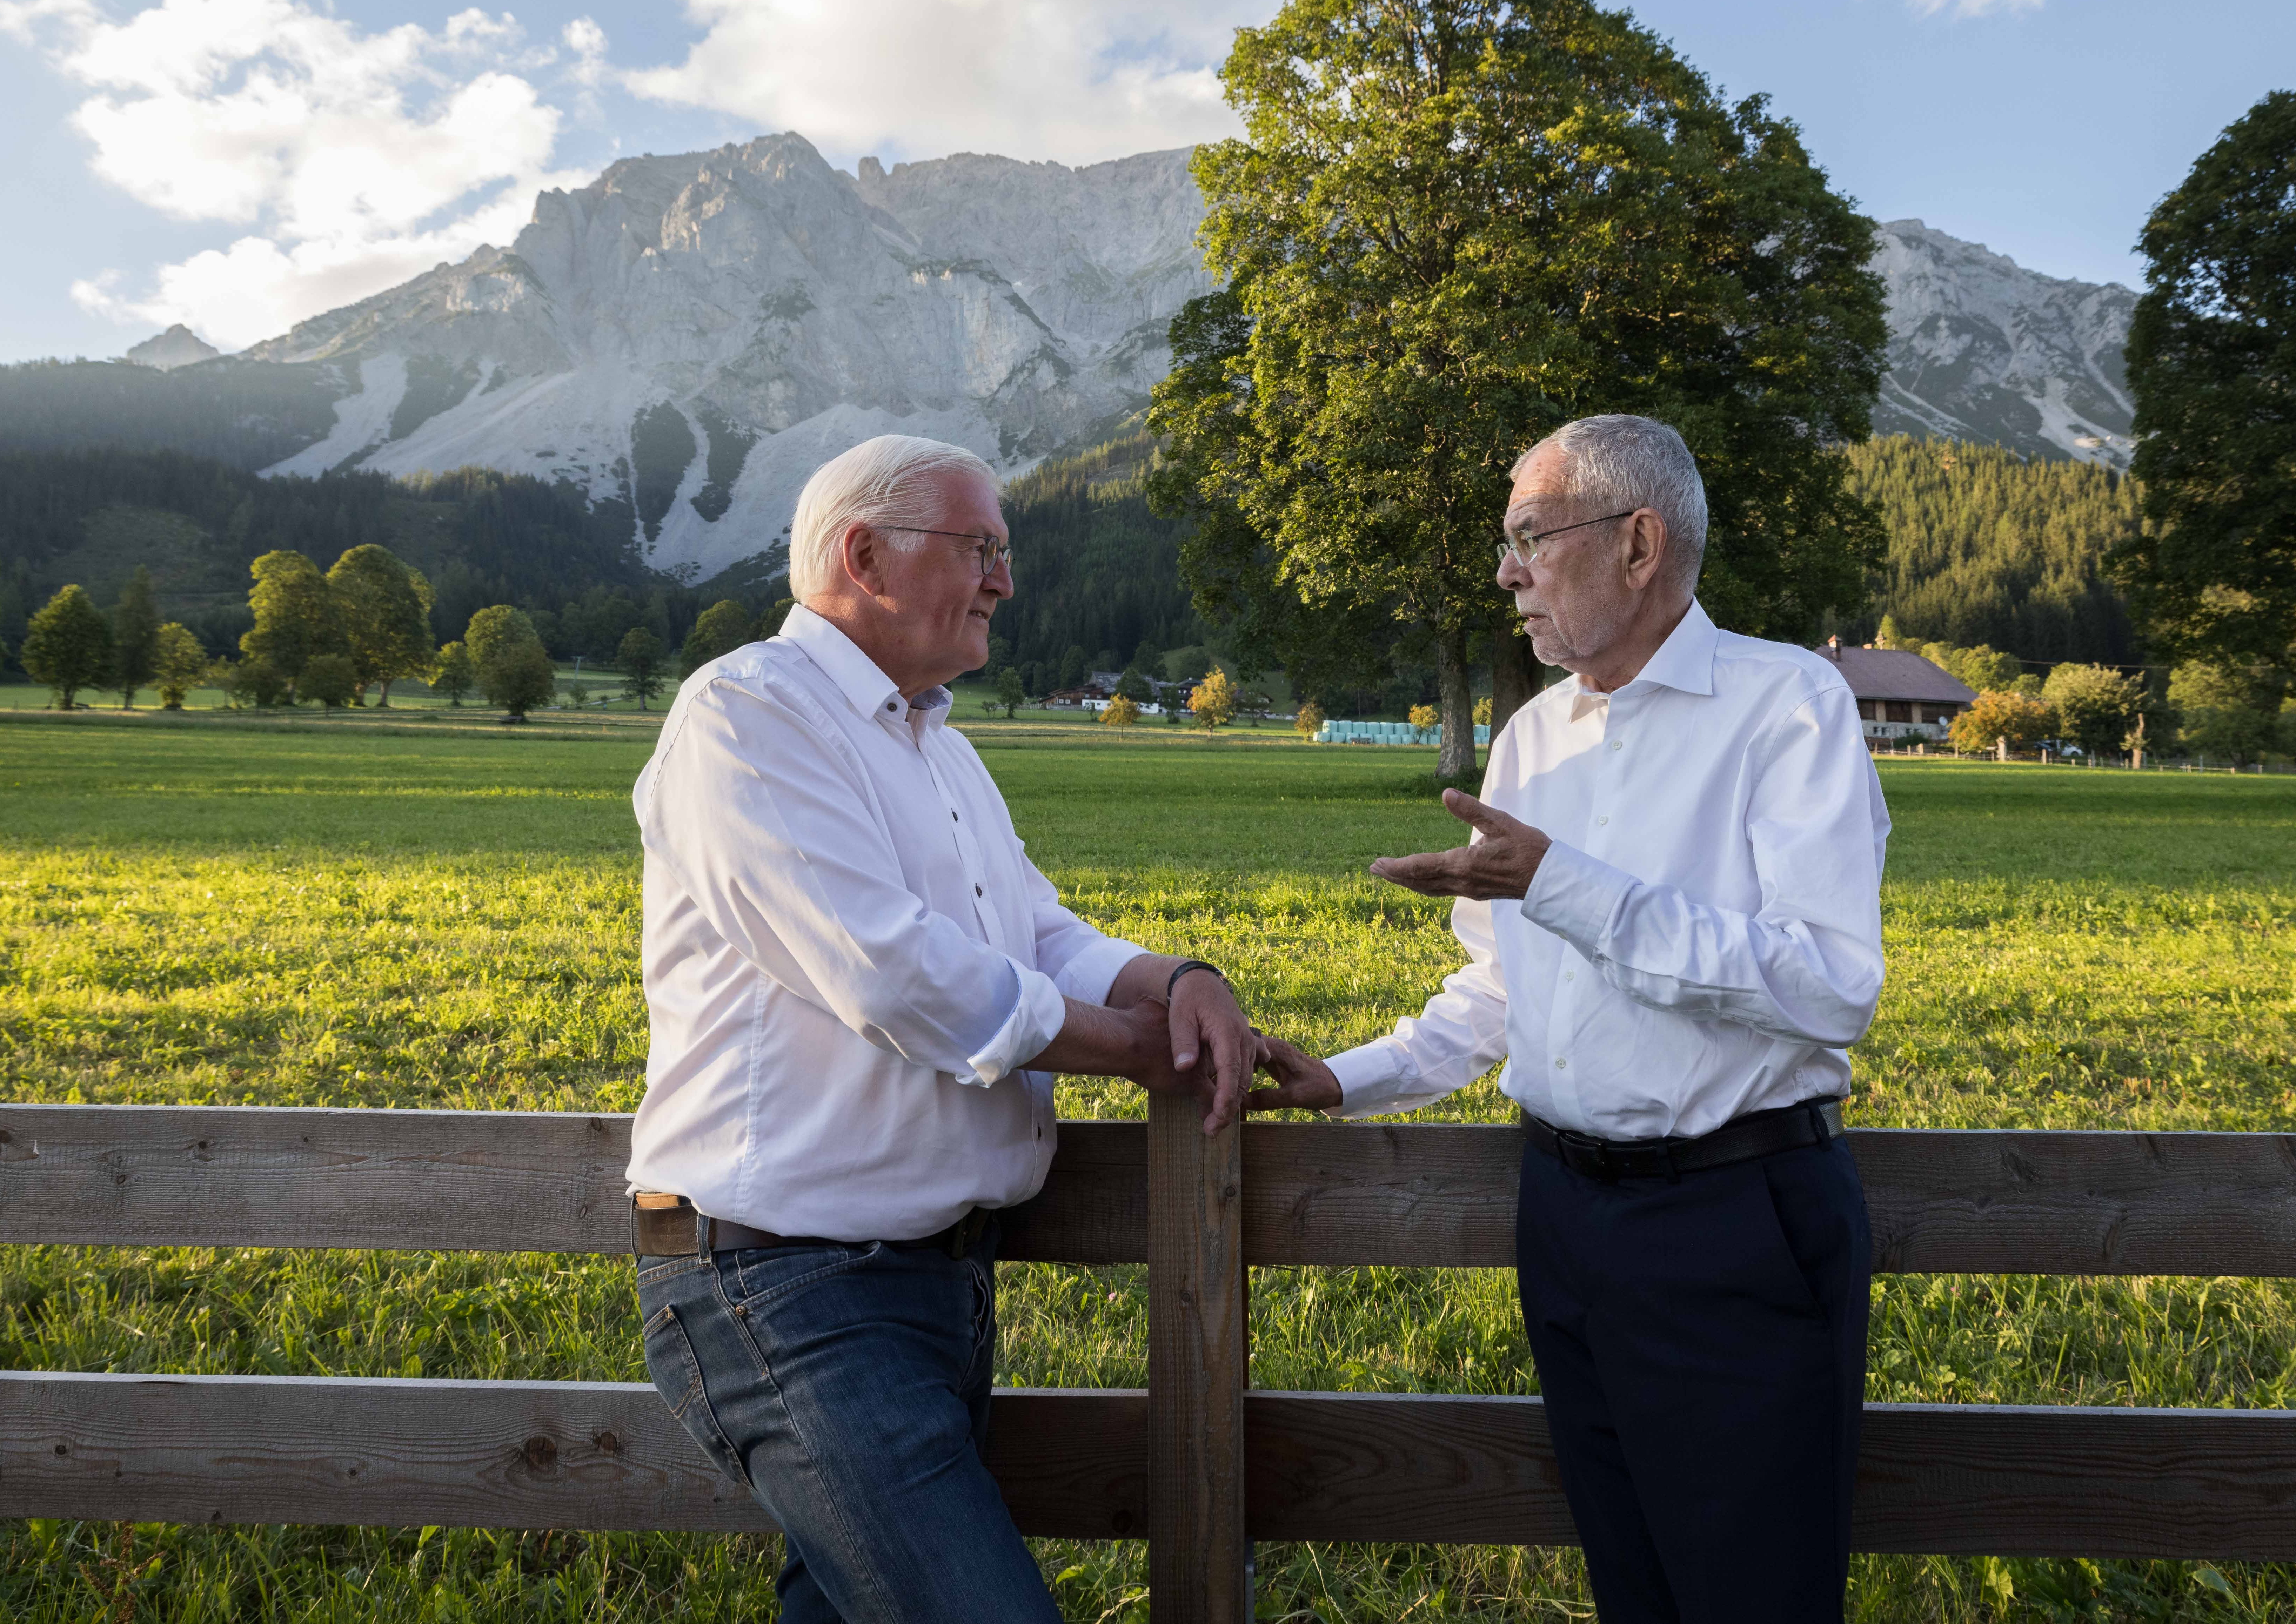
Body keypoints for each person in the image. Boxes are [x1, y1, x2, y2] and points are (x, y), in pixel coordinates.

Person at [1252, 414, 1889, 1623]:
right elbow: (1501, 989)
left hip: (1732, 1222)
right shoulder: (1532, 738)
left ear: (1638, 543)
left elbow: (1826, 984)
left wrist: (1561, 882)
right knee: (1632, 1589)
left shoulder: (1786, 704)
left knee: (1751, 1599)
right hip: (1561, 1216)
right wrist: (1342, 1078)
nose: (1505, 572)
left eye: (1529, 538)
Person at [629, 433, 1261, 1623]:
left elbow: (1036, 930)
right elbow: (894, 975)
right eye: (982, 548)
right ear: (864, 556)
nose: (1005, 582)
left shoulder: (941, 744)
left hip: (926, 1283)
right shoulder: (747, 715)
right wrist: (1142, 1049)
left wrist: (1173, 976)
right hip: (791, 1283)